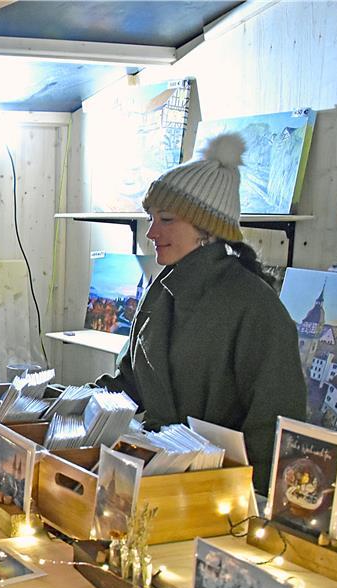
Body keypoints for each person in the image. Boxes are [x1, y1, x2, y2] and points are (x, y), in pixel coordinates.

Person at [94, 133, 306, 493]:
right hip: (157, 477)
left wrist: (241, 501)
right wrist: (71, 406)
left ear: (207, 230)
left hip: (219, 494)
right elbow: (129, 384)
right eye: (151, 218)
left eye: (166, 220)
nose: (151, 231)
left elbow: (275, 426)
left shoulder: (255, 307)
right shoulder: (160, 291)